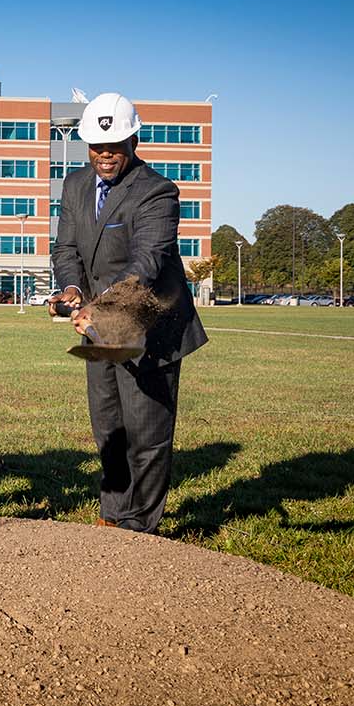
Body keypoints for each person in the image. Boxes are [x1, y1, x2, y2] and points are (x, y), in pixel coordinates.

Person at [49, 92, 207, 533]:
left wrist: (99, 307)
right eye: (97, 146)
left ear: (134, 139)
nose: (105, 155)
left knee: (147, 434)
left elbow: (146, 264)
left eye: (115, 145)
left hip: (150, 329)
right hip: (98, 331)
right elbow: (66, 249)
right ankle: (114, 512)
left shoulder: (157, 191)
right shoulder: (74, 185)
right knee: (109, 428)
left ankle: (141, 524)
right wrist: (72, 290)